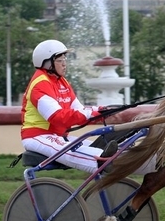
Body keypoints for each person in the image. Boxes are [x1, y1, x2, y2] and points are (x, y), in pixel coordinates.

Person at [21, 39, 117, 173]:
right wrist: (91, 114)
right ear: (47, 63)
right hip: (38, 136)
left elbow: (78, 110)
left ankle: (111, 158)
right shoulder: (40, 84)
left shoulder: (62, 82)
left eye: (65, 58)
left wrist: (100, 111)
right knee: (75, 151)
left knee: (92, 147)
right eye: (60, 60)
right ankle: (102, 160)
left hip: (57, 135)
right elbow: (57, 117)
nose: (64, 63)